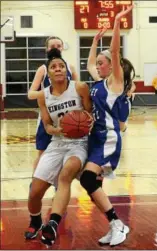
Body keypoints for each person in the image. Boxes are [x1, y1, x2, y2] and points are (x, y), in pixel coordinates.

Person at [79, 5, 134, 246]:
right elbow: (90, 62)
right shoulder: (99, 83)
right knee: (93, 187)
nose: (98, 66)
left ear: (112, 66)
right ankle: (115, 225)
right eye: (99, 63)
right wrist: (94, 41)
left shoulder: (115, 82)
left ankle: (117, 224)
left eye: (103, 63)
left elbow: (113, 51)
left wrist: (117, 23)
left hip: (109, 139)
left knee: (88, 181)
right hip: (96, 138)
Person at [24, 48, 92, 241]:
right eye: (54, 67)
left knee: (66, 175)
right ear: (48, 73)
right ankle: (36, 221)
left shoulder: (79, 88)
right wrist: (55, 130)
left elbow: (90, 114)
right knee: (35, 192)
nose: (58, 69)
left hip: (79, 143)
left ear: (67, 71)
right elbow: (46, 124)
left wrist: (81, 123)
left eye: (61, 66)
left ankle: (52, 223)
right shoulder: (43, 96)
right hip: (57, 143)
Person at [28, 36, 78, 172]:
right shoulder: (43, 69)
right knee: (42, 153)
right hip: (47, 117)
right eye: (52, 46)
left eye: (58, 46)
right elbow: (31, 93)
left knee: (65, 154)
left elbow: (78, 89)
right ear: (47, 49)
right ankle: (35, 183)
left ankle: (59, 186)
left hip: (67, 117)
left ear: (62, 48)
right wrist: (49, 93)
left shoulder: (70, 67)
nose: (55, 48)